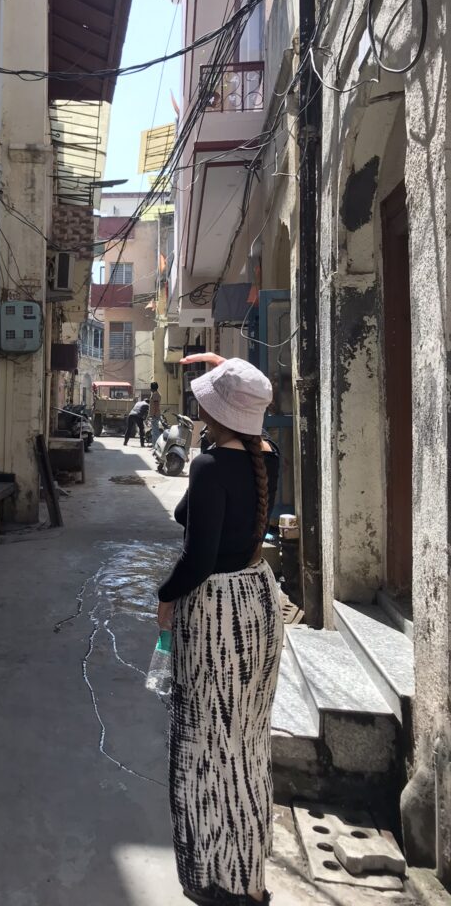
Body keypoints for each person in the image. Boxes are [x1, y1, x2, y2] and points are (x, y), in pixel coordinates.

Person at [157, 358, 282, 906]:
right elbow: (187, 513)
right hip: (259, 602)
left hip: (216, 613)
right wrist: (228, 379)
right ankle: (247, 874)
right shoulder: (268, 458)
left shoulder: (210, 466)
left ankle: (213, 877)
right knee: (246, 741)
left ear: (215, 411)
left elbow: (198, 558)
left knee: (204, 744)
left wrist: (164, 597)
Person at [149, 381, 162, 446]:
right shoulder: (155, 394)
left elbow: (156, 405)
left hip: (155, 415)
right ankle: (154, 445)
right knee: (154, 431)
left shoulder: (155, 394)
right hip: (155, 415)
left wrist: (154, 414)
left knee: (155, 431)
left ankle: (157, 445)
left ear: (152, 388)